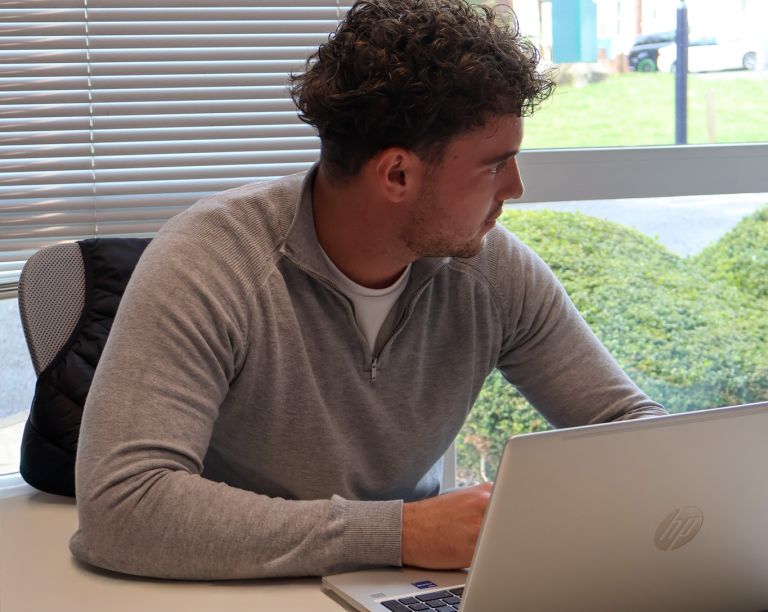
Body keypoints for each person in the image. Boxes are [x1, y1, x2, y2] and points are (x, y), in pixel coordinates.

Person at [70, 0, 666, 580]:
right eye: (495, 164)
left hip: (405, 584)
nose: (515, 188)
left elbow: (626, 423)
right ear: (397, 174)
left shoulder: (490, 271)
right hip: (231, 586)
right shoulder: (211, 262)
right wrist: (401, 534)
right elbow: (122, 508)